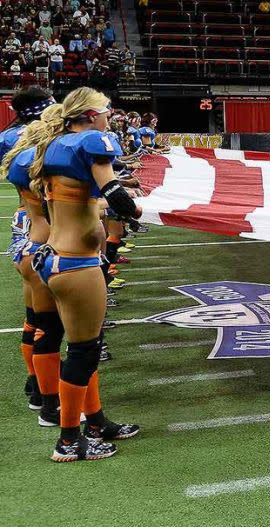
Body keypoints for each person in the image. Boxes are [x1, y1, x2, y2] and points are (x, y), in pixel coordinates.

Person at [29, 87, 141, 461]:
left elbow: (82, 196)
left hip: (54, 259)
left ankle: (95, 422)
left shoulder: (54, 146)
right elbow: (116, 196)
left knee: (82, 347)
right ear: (91, 114)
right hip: (76, 265)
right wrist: (139, 211)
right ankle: (68, 438)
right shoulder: (94, 140)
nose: (111, 115)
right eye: (107, 109)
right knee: (83, 351)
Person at [1, 87, 57, 412]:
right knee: (50, 324)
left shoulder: (11, 140)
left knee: (32, 316)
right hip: (45, 233)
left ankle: (33, 380)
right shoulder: (45, 148)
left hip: (21, 227)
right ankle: (46, 397)